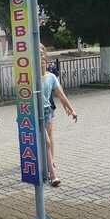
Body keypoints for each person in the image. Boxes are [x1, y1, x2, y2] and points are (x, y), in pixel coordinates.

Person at [41, 52, 77, 186]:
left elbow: (61, 95)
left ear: (46, 63)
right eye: (38, 61)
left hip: (47, 112)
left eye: (43, 61)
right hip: (35, 114)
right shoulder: (31, 78)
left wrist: (71, 109)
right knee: (47, 142)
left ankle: (48, 164)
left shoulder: (51, 77)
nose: (41, 63)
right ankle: (53, 175)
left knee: (48, 140)